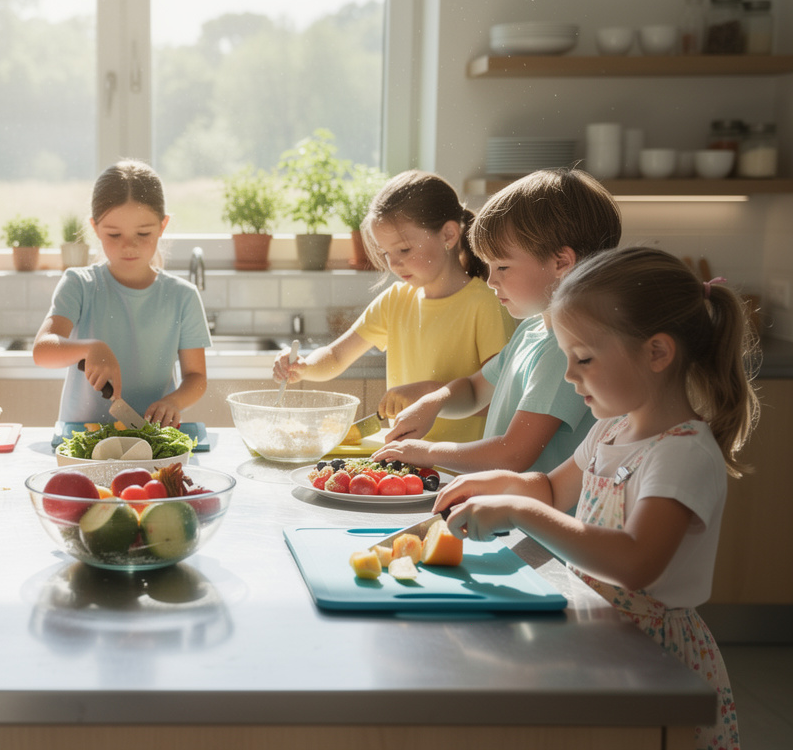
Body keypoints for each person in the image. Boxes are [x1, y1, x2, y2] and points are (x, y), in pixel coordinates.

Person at [435, 246, 755, 749]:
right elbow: (551, 487)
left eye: (583, 358)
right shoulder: (612, 428)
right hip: (600, 635)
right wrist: (495, 485)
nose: (569, 376)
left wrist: (521, 510)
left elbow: (635, 562)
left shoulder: (682, 454)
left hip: (651, 656)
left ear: (657, 352)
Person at [373, 168, 621, 474]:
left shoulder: (568, 349)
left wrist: (428, 452)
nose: (490, 280)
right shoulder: (531, 331)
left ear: (561, 263)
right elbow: (475, 391)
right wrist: (433, 402)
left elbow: (513, 454)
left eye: (502, 266)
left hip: (540, 519)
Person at [272, 170, 515, 442]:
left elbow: (498, 400)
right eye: (386, 253)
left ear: (448, 235)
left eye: (404, 250)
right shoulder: (395, 301)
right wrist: (305, 366)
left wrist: (426, 393)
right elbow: (337, 357)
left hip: (459, 471)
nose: (393, 264)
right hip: (405, 465)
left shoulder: (485, 304)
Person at [32, 159, 211, 427]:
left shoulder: (182, 297)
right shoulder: (79, 284)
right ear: (95, 228)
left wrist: (174, 402)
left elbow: (196, 376)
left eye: (143, 232)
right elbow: (42, 350)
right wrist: (90, 348)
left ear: (163, 226)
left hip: (154, 438)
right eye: (114, 234)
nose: (129, 246)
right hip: (83, 441)